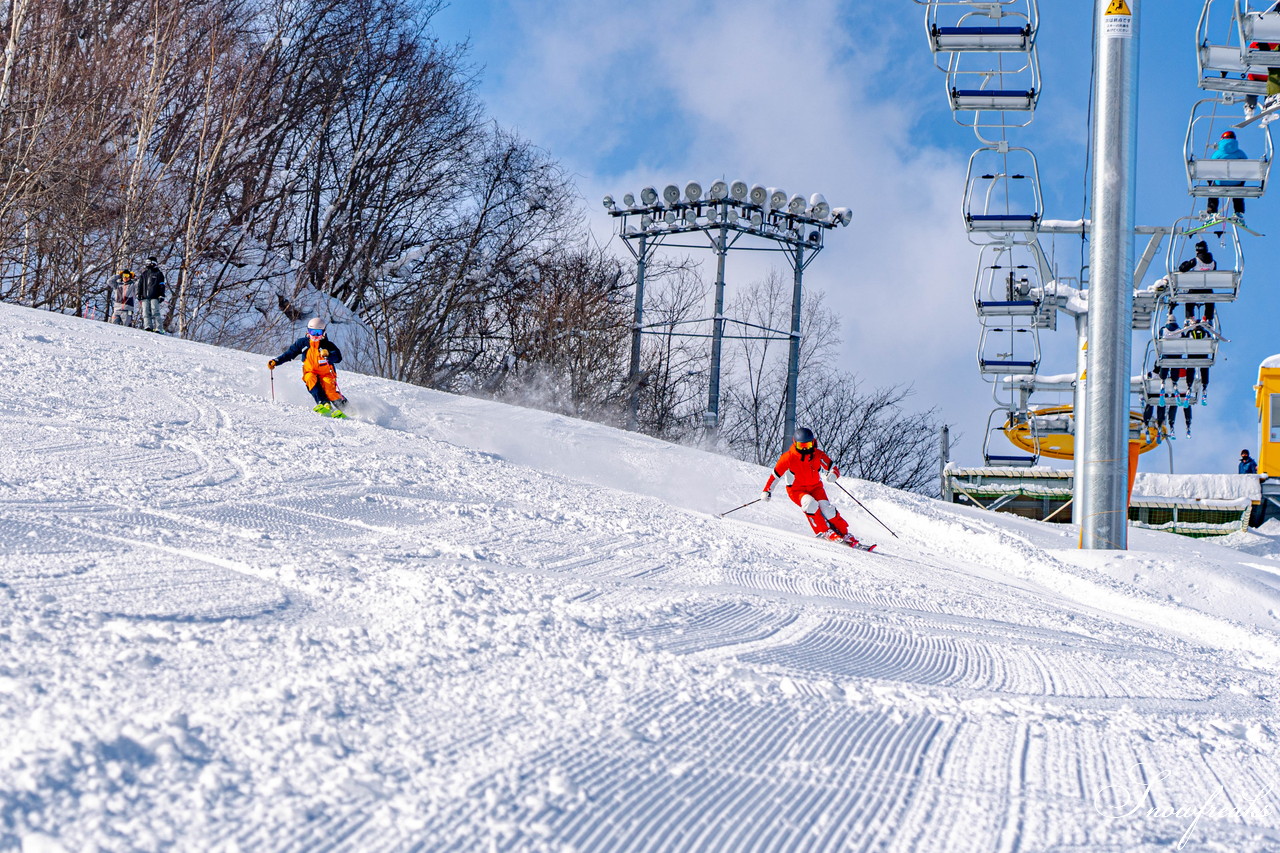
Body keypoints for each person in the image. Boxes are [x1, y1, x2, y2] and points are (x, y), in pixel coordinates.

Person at [761, 427, 857, 544]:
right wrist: (767, 491)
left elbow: (833, 468)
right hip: (797, 490)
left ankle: (844, 533)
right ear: (795, 444)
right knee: (810, 504)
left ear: (813, 442)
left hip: (816, 487)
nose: (806, 448)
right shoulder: (788, 457)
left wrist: (833, 475)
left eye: (808, 445)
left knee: (828, 510)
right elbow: (775, 476)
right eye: (802, 446)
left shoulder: (818, 454)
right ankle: (824, 531)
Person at [268, 317, 348, 417]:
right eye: (312, 332)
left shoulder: (327, 345)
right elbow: (289, 354)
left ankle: (347, 409)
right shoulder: (302, 343)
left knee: (329, 390)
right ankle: (324, 404)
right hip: (310, 371)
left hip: (326, 373)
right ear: (308, 331)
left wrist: (329, 355)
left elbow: (338, 357)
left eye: (318, 333)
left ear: (323, 332)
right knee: (310, 379)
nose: (315, 336)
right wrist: (276, 361)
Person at [1205, 131, 1248, 223]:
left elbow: (1210, 168)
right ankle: (1238, 213)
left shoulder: (1218, 153)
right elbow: (1247, 168)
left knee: (1213, 192)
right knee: (1237, 192)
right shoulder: (1240, 153)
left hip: (1220, 182)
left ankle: (1212, 212)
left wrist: (1209, 181)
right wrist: (1242, 181)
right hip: (1236, 182)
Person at [1175, 239, 1217, 323]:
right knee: (1210, 299)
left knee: (1189, 298)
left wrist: (1185, 263)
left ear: (1197, 250)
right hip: (1207, 290)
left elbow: (1182, 269)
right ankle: (1208, 318)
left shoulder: (1195, 261)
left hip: (1195, 288)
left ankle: (1190, 317)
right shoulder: (1213, 262)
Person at [136, 257, 166, 332]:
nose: (147, 264)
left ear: (153, 263)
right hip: (145, 296)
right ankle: (148, 326)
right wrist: (139, 294)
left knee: (155, 312)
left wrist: (161, 295)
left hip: (155, 296)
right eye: (147, 262)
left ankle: (159, 328)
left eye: (148, 262)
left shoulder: (158, 274)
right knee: (145, 312)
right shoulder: (144, 273)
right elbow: (140, 284)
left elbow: (162, 285)